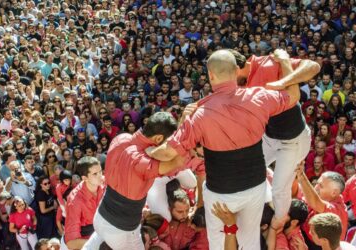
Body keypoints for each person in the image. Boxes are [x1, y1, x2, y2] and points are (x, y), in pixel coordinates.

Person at [147, 49, 300, 249]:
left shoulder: (200, 113)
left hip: (221, 192)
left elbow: (168, 152)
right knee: (250, 241)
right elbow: (293, 95)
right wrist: (286, 63)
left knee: (218, 243)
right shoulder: (259, 97)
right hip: (254, 187)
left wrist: (143, 150)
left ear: (210, 75)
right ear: (237, 70)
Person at [233, 48, 320, 224]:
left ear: (237, 67)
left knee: (280, 189)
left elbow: (313, 66)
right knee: (244, 169)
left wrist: (284, 80)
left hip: (292, 141)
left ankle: (279, 225)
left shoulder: (269, 63)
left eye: (230, 77)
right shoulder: (236, 82)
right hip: (269, 137)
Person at [84, 112, 186, 249]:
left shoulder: (122, 138)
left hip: (102, 216)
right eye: (167, 142)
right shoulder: (140, 161)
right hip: (120, 229)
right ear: (158, 138)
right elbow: (178, 160)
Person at [295, 162, 348, 249]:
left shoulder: (337, 210)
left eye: (321, 186)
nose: (316, 187)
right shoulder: (323, 197)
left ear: (334, 192)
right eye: (317, 183)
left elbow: (315, 202)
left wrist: (301, 175)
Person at [63, 157, 104, 250]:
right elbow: (71, 243)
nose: (100, 176)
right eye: (95, 174)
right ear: (84, 178)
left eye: (101, 171)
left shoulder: (104, 184)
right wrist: (102, 245)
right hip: (88, 244)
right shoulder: (75, 201)